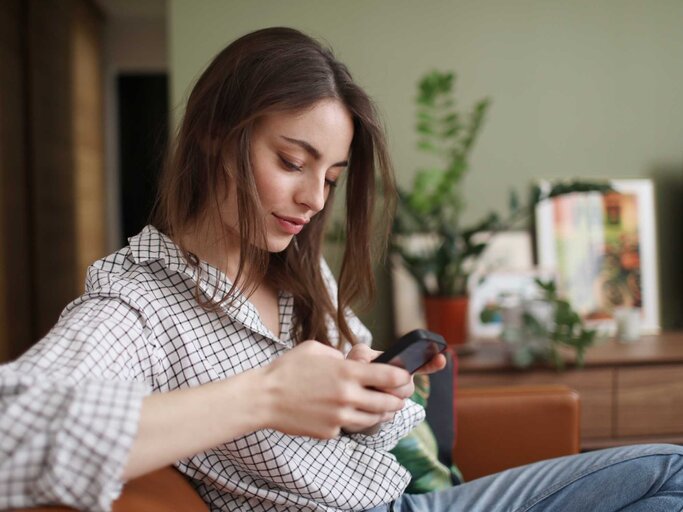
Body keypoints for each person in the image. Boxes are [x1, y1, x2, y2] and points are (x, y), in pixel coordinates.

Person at [0, 26, 682, 512]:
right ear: (215, 134)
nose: (312, 199)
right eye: (291, 162)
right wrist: (263, 396)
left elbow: (375, 436)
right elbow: (10, 437)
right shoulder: (136, 307)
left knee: (671, 476)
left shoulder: (295, 270)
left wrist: (371, 390)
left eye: (330, 175)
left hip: (404, 499)